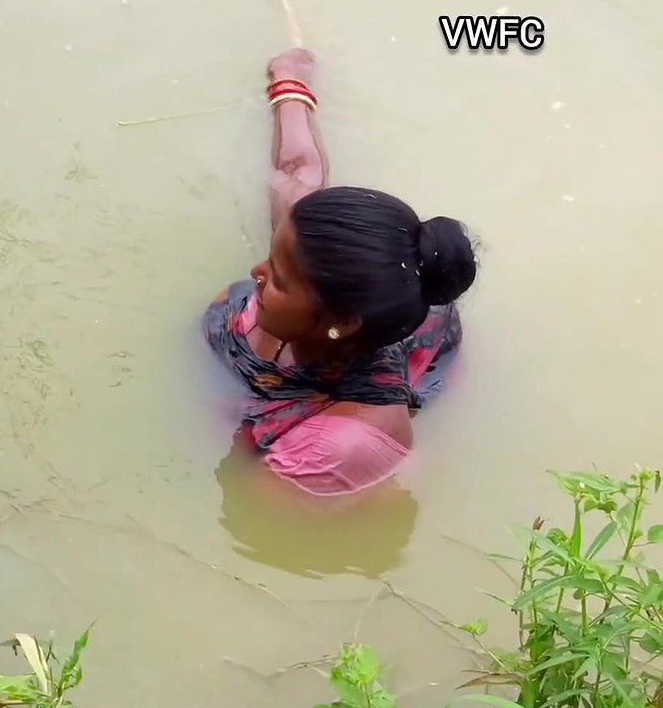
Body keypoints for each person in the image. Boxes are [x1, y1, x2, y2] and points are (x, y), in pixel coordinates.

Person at [202, 47, 478, 497]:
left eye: (278, 277)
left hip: (384, 380)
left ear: (339, 322)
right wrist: (289, 83)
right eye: (272, 258)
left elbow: (253, 518)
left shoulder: (338, 444)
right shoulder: (313, 261)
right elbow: (296, 172)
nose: (256, 272)